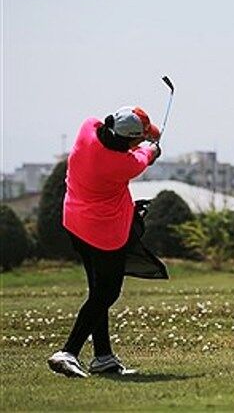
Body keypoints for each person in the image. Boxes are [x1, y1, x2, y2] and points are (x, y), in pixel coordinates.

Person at [47, 106, 167, 378]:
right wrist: (153, 148)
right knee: (107, 293)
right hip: (102, 233)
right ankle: (68, 351)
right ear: (127, 140)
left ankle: (103, 358)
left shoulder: (87, 128)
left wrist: (146, 133)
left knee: (96, 291)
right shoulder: (124, 164)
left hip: (74, 223)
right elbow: (144, 156)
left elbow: (136, 141)